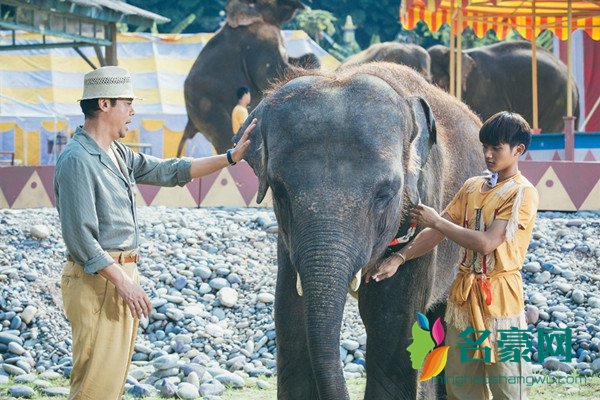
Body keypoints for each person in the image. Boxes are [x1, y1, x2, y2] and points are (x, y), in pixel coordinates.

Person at [54, 66, 256, 400]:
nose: (133, 112)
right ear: (104, 104)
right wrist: (123, 283)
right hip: (99, 281)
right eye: (127, 103)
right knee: (93, 387)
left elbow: (168, 170)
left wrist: (230, 158)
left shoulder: (117, 153)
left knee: (110, 385)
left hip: (118, 276)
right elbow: (81, 240)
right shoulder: (77, 159)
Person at [370, 111, 539, 400]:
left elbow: (486, 243)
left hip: (500, 301)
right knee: (460, 386)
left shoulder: (522, 193)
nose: (487, 154)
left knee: (507, 388)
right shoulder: (473, 187)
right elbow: (436, 234)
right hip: (462, 301)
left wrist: (437, 221)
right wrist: (399, 258)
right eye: (484, 146)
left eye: (496, 148)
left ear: (518, 150)